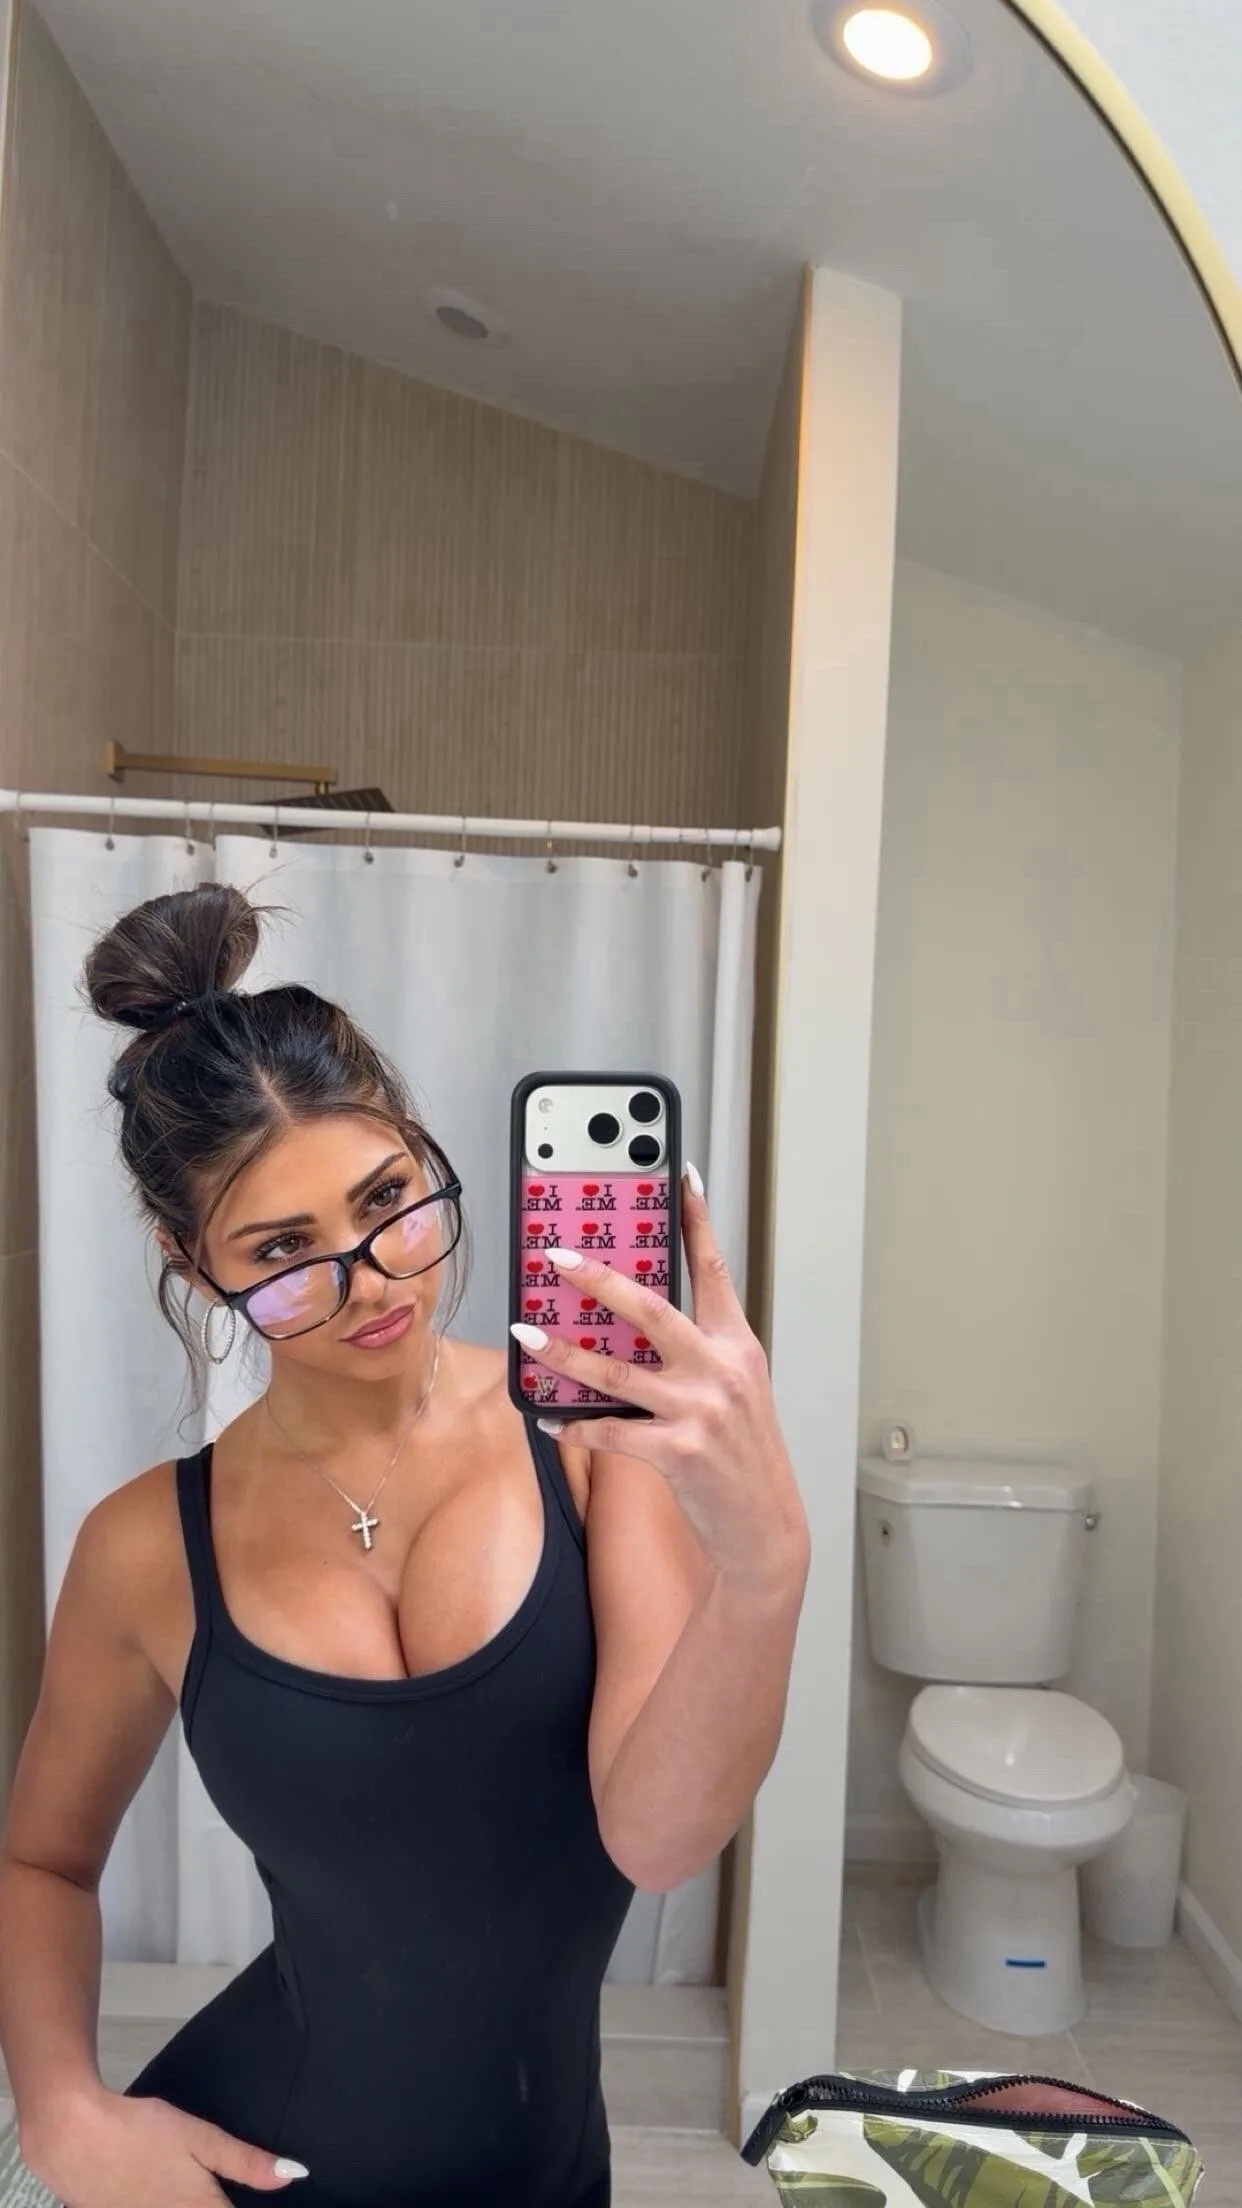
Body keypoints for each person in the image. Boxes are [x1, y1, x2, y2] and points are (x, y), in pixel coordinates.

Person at [0, 883, 810, 2208]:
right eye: (285, 1252)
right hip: (238, 2169)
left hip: (543, 2177)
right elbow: (42, 1861)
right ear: (191, 1264)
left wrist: (768, 1563)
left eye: (389, 1199)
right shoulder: (145, 1548)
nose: (372, 1278)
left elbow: (660, 1840)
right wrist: (61, 2113)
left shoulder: (591, 1447)